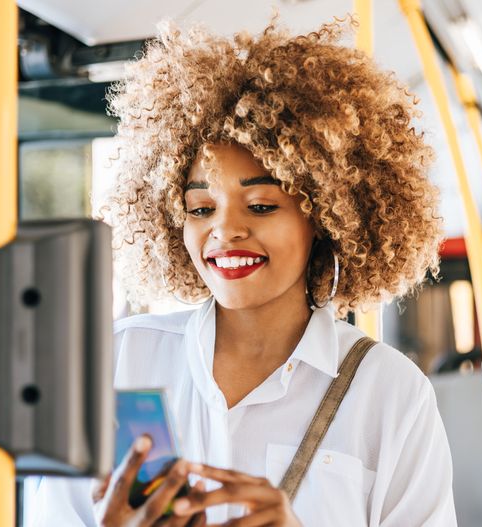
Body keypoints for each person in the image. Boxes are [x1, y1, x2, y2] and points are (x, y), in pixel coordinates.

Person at [30, 17, 456, 527]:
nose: (225, 230)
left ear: (324, 217)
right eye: (201, 208)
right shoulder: (119, 361)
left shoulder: (390, 392)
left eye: (260, 206)